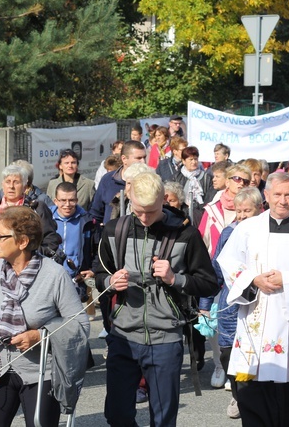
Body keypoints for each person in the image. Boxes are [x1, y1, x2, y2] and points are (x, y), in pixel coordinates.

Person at [93, 172, 218, 427]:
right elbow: (97, 273)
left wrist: (175, 279)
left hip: (166, 338)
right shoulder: (113, 230)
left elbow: (209, 284)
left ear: (164, 198)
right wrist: (109, 282)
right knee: (116, 415)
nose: (145, 218)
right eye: (139, 211)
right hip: (123, 337)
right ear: (129, 198)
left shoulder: (186, 234)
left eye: (151, 211)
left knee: (162, 419)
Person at [217, 172, 289, 427]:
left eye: (288, 195)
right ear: (266, 196)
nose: (283, 201)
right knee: (255, 396)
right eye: (277, 195)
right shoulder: (247, 229)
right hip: (255, 319)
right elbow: (228, 263)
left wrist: (287, 280)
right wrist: (253, 280)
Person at [0, 206, 89, 426]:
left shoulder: (54, 274)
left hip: (41, 373)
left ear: (23, 242)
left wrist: (40, 335)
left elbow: (80, 324)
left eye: (0, 235)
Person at [207, 187, 262, 418]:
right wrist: (205, 300)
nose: (240, 216)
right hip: (230, 304)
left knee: (256, 353)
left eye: (246, 211)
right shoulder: (228, 233)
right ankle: (239, 395)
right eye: (238, 211)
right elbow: (216, 270)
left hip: (258, 304)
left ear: (260, 209)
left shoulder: (268, 234)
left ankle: (257, 398)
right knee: (228, 352)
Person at [0, 164, 60, 252]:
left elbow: (51, 241)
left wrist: (30, 254)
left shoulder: (37, 209)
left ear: (25, 187)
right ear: (2, 185)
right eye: (8, 182)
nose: (11, 186)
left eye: (16, 182)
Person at [198, 164, 252, 256]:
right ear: (227, 182)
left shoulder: (254, 208)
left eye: (246, 181)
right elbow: (201, 240)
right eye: (237, 179)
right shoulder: (212, 208)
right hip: (214, 264)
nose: (241, 183)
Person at [89, 140, 147, 225]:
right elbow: (96, 213)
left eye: (144, 157)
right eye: (138, 158)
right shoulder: (108, 180)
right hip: (111, 235)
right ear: (124, 159)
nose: (143, 162)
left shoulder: (150, 181)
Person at [50, 182, 93, 296]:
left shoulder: (87, 220)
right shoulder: (46, 219)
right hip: (50, 278)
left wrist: (93, 269)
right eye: (63, 200)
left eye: (71, 200)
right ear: (56, 201)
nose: (67, 204)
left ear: (77, 200)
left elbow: (97, 247)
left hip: (76, 279)